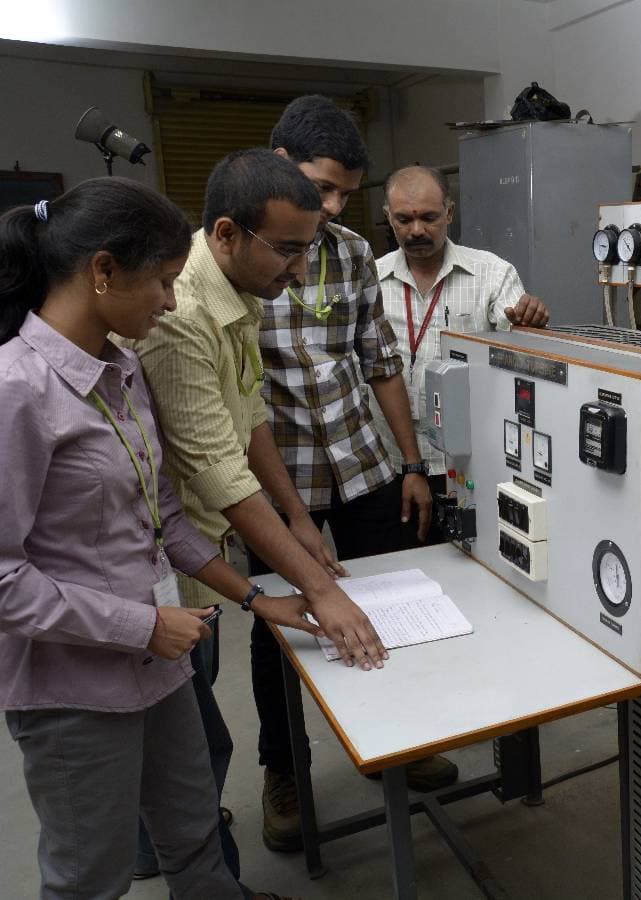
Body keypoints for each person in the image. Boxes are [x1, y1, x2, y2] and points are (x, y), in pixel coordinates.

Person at [0, 177, 314, 900]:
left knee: (193, 828)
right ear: (103, 271)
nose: (172, 303)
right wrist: (143, 625)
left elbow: (164, 517)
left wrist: (256, 598)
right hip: (75, 688)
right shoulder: (19, 390)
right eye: (164, 282)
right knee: (90, 876)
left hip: (160, 662)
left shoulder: (123, 370)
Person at [132, 148, 389, 855]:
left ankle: (178, 840)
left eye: (306, 251)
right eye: (287, 251)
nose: (300, 271)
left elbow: (248, 418)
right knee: (181, 726)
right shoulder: (182, 314)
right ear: (226, 234)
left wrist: (298, 517)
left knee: (194, 714)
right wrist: (320, 591)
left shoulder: (240, 289)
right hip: (169, 556)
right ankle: (167, 850)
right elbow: (217, 472)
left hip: (201, 545)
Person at [253, 96, 457, 840]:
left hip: (363, 462)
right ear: (280, 164)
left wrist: (411, 463)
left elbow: (381, 364)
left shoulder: (350, 253)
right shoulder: (237, 255)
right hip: (280, 481)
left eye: (345, 193)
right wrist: (289, 514)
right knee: (279, 626)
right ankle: (284, 770)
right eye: (323, 187)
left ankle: (400, 744)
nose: (335, 206)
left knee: (393, 599)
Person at [374, 164, 550, 482]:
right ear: (389, 217)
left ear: (450, 213)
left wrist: (529, 323)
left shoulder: (492, 274)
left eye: (429, 217)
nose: (416, 230)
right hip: (391, 462)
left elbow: (521, 345)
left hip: (469, 461)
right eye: (404, 220)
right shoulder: (371, 280)